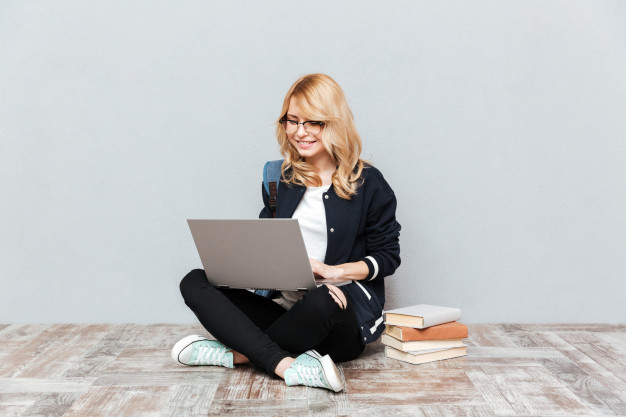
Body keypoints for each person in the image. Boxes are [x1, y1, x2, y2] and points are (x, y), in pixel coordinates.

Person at [172, 73, 401, 392]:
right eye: (292, 121)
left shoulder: (368, 182)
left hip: (337, 316)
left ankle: (239, 354)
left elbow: (388, 256)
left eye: (313, 122)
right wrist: (247, 268)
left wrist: (332, 272)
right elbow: (269, 245)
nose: (299, 132)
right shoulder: (279, 178)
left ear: (333, 123)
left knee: (323, 300)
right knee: (194, 280)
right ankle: (287, 366)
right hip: (286, 312)